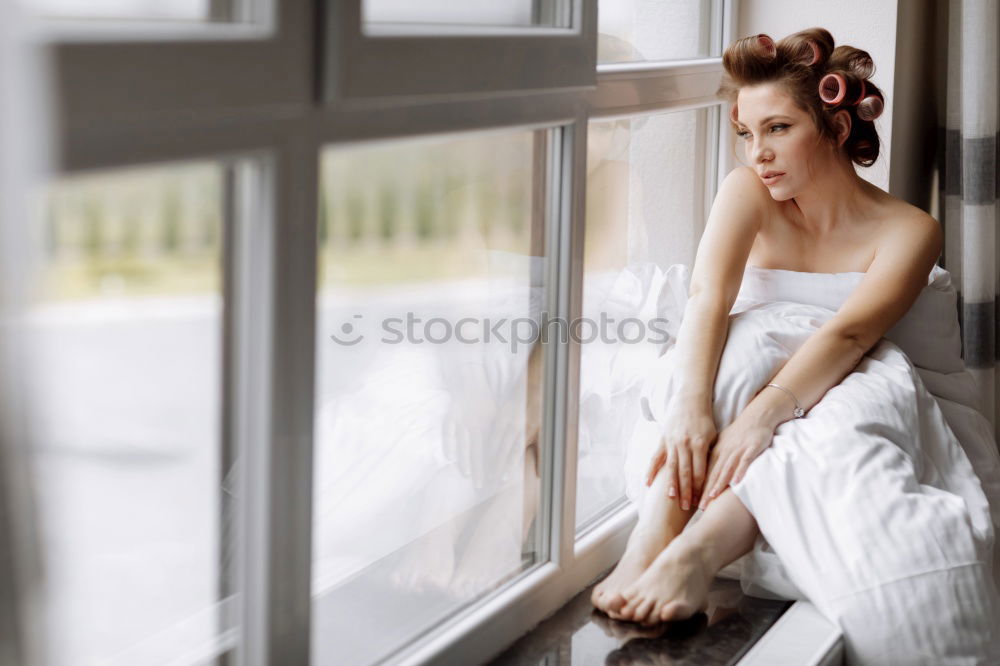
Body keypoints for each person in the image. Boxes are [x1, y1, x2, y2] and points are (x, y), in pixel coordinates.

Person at [590, 27, 1000, 664]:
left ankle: (698, 555)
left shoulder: (911, 228)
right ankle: (657, 535)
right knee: (743, 345)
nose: (758, 154)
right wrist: (694, 406)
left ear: (836, 129)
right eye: (748, 133)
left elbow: (851, 333)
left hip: (855, 366)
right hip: (749, 361)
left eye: (778, 128)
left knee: (836, 415)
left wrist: (762, 416)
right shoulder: (747, 191)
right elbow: (708, 299)